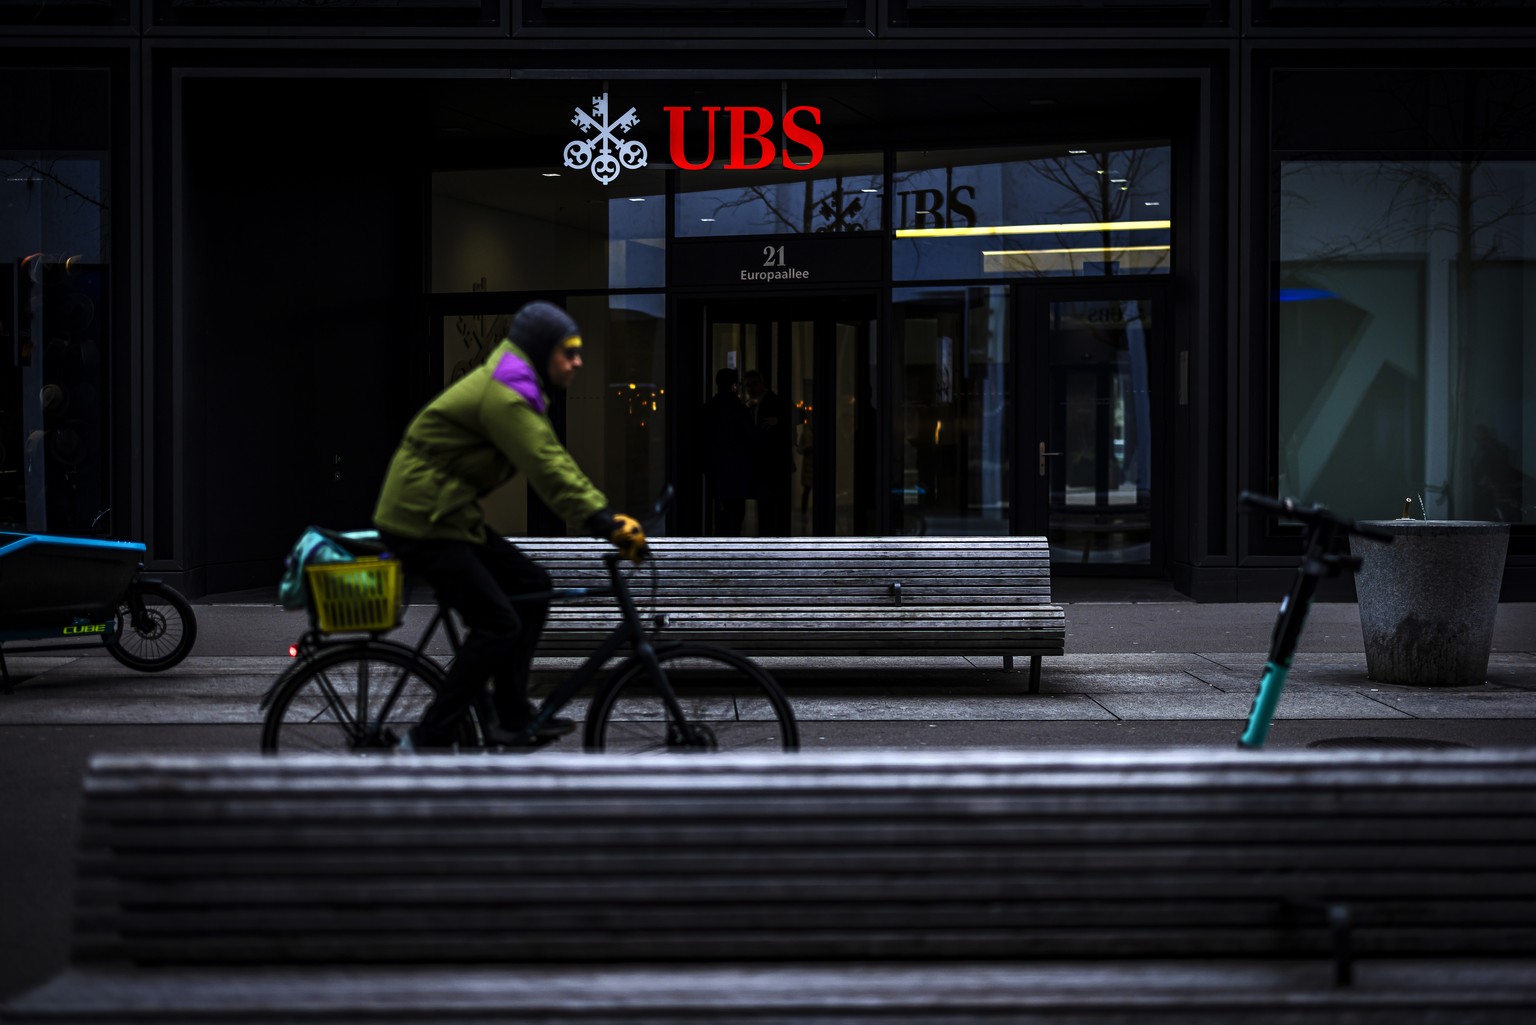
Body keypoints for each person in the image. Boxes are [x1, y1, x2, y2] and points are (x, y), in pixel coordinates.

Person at [374, 300, 648, 752]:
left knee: (532, 584)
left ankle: (510, 711)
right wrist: (602, 519)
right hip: (420, 521)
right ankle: (429, 736)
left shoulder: (517, 388)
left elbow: (553, 458)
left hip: (449, 517)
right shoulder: (505, 396)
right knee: (497, 623)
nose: (578, 362)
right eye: (569, 351)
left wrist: (603, 514)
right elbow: (547, 467)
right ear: (541, 351)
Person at [699, 367, 754, 536]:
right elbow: (752, 437)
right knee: (735, 513)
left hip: (715, 468)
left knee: (723, 510)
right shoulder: (739, 409)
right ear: (734, 386)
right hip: (737, 469)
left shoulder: (708, 408)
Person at [743, 369, 794, 536]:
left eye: (753, 384)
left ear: (762, 384)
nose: (750, 388)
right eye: (747, 385)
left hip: (773, 463)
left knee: (771, 504)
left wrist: (779, 421)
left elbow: (798, 415)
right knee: (767, 504)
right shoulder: (754, 404)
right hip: (766, 463)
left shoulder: (773, 401)